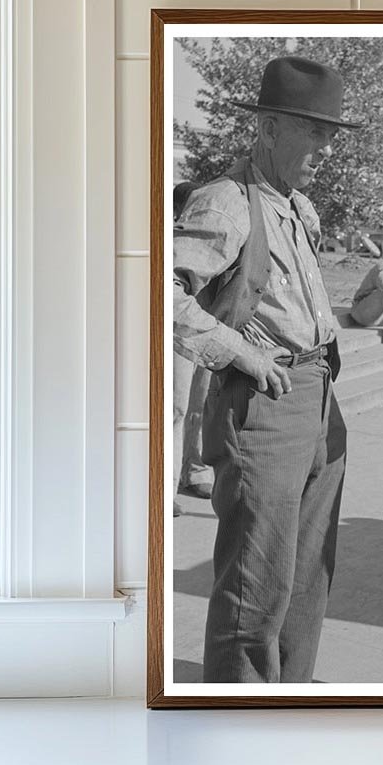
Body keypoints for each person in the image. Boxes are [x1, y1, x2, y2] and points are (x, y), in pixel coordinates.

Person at [173, 55, 356, 684]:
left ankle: (291, 701)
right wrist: (238, 351)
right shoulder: (225, 202)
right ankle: (236, 729)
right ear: (270, 128)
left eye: (329, 134)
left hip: (317, 399)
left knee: (306, 579)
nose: (325, 147)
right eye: (313, 131)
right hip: (262, 404)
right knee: (256, 583)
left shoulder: (298, 207)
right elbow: (151, 291)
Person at [172, 181, 214, 519]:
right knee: (176, 407)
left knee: (202, 405)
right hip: (179, 332)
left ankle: (196, 470)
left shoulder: (213, 235)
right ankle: (164, 486)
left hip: (212, 330)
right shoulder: (172, 237)